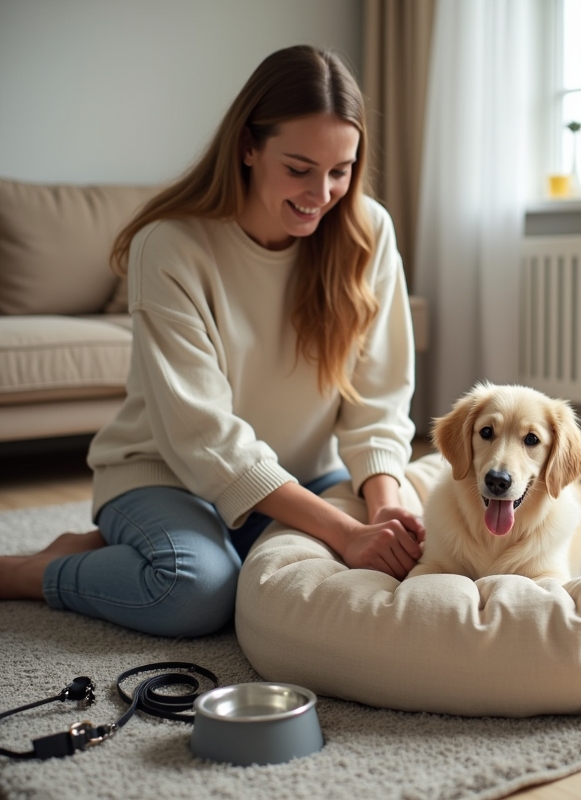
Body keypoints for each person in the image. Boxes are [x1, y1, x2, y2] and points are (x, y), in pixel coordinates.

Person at [0, 45, 425, 636]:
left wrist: (384, 508)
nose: (321, 193)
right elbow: (204, 439)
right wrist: (346, 532)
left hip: (307, 475)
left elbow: (378, 402)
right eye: (298, 168)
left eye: (340, 170)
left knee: (389, 558)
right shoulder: (170, 245)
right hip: (165, 474)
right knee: (197, 592)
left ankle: (162, 543)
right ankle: (30, 570)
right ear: (248, 147)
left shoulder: (366, 231)